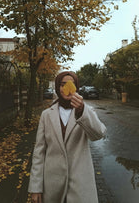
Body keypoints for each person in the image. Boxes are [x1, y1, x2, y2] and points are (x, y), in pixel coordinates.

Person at [28, 71, 106, 203]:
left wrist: (82, 110)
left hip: (80, 184)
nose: (66, 87)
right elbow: (39, 153)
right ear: (58, 87)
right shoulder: (46, 115)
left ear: (77, 87)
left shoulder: (87, 111)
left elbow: (99, 134)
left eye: (71, 84)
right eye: (62, 84)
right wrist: (35, 187)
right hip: (52, 184)